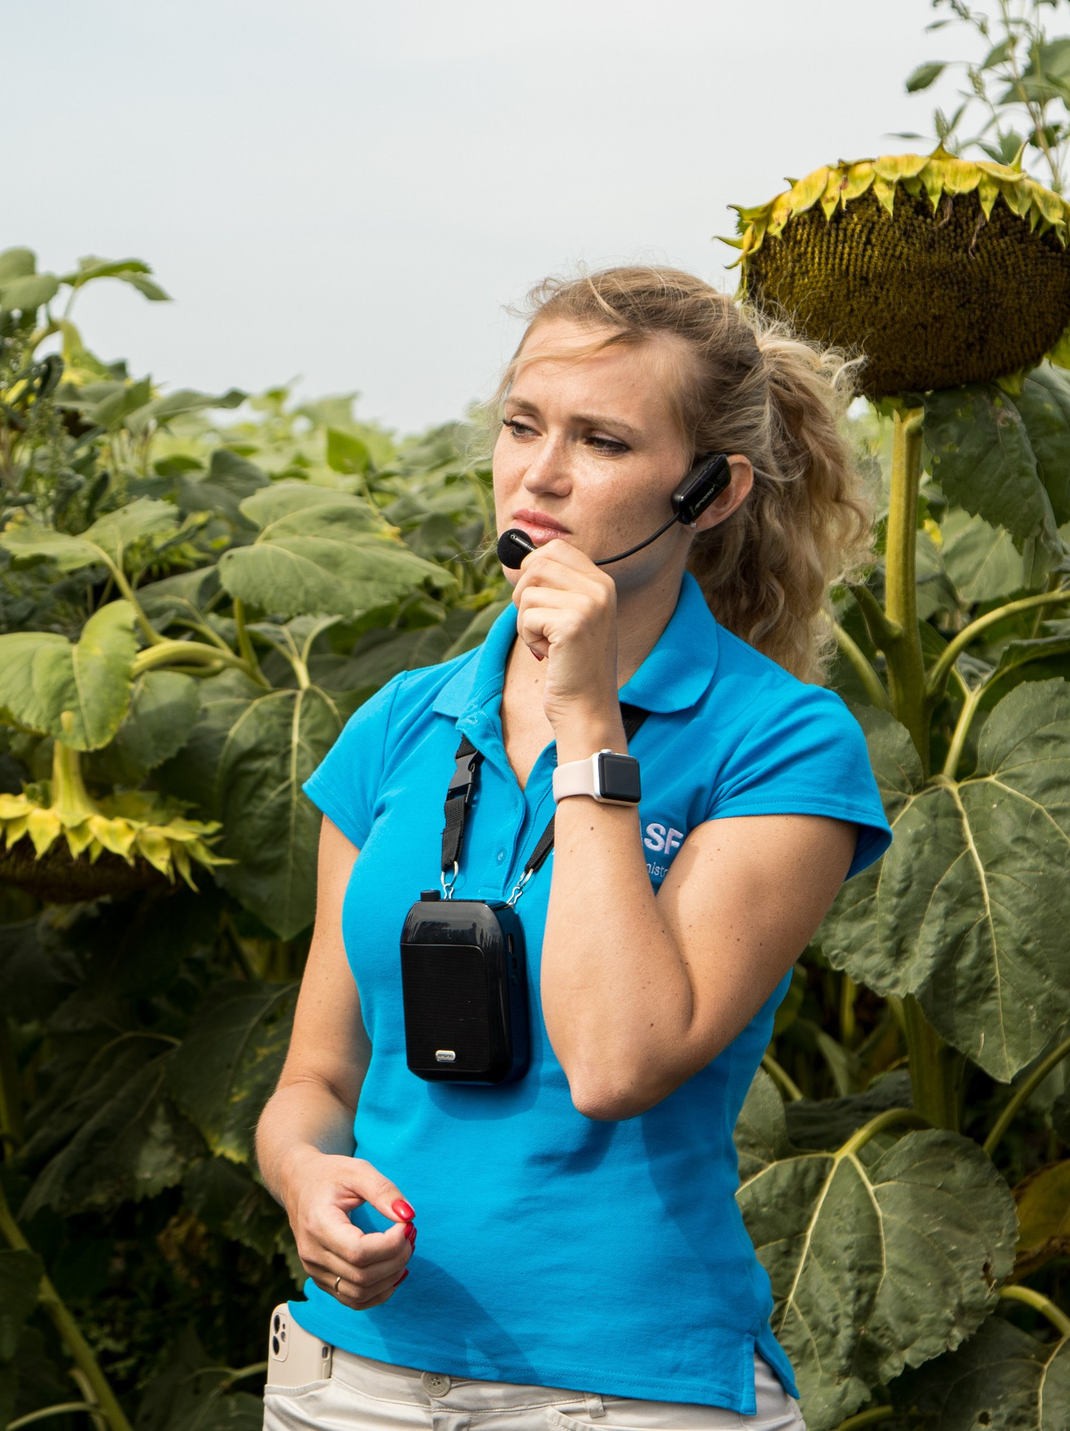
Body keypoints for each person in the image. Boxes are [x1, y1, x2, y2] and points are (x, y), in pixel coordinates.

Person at [254, 267, 892, 1431]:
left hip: (625, 1388)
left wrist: (589, 719)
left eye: (600, 440)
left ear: (708, 491)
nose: (539, 473)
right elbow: (318, 1078)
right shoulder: (399, 722)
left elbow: (617, 1064)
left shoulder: (782, 740)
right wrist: (303, 1173)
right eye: (520, 425)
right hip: (352, 1376)